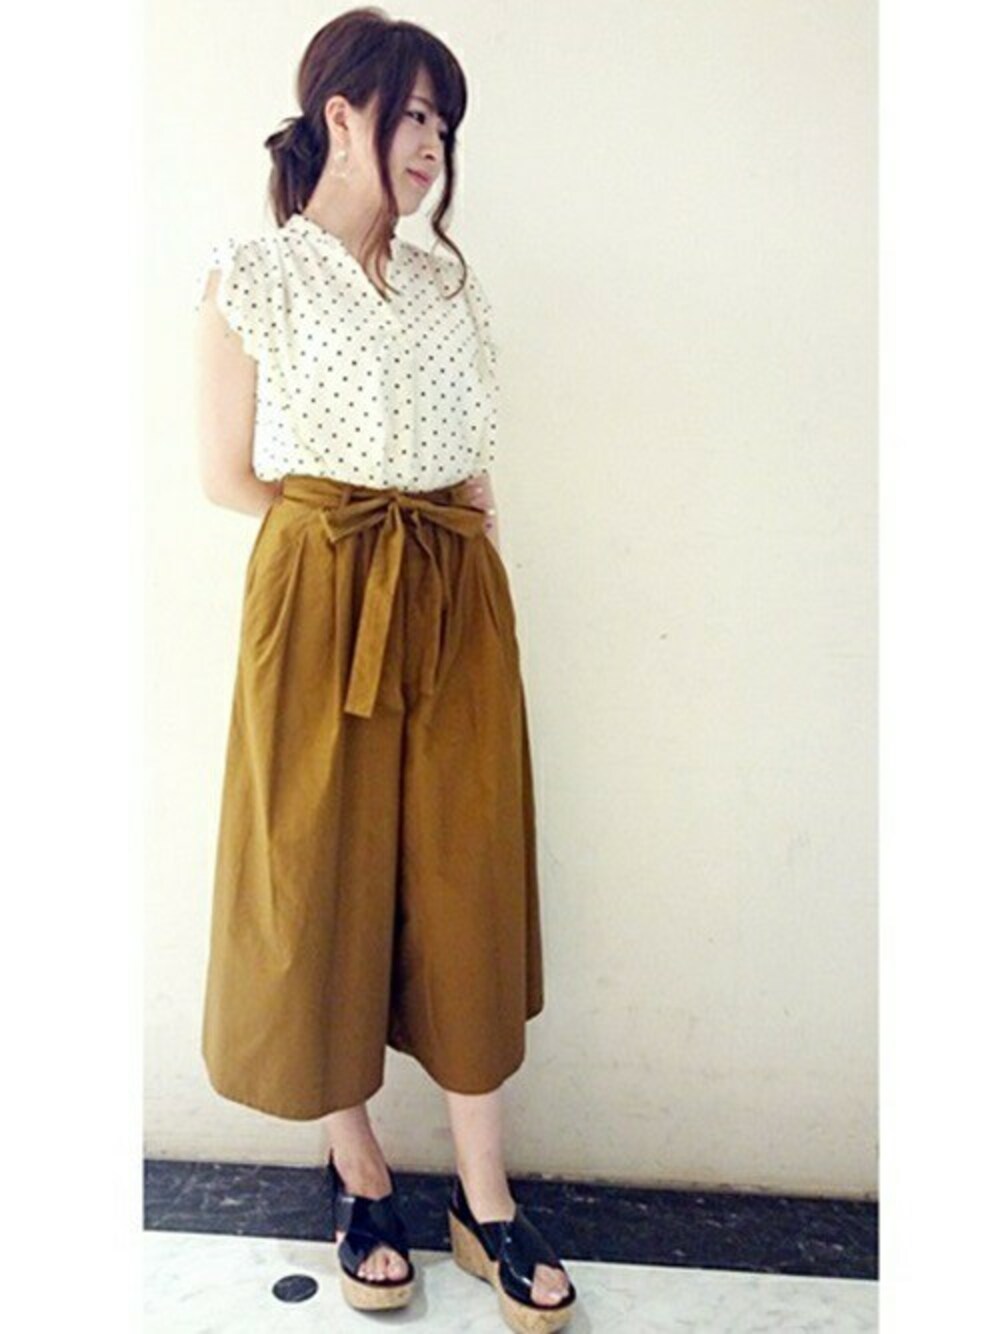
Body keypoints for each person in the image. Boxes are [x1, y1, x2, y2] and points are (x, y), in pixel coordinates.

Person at [192, 9, 576, 1330]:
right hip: (320, 591)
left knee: (468, 874)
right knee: (321, 870)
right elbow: (226, 475)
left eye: (445, 125)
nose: (432, 145)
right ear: (341, 114)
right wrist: (340, 544)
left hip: (455, 591)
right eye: (414, 113)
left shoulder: (447, 287)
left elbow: (474, 473)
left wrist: (463, 565)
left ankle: (485, 1195)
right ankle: (357, 1167)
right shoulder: (256, 274)